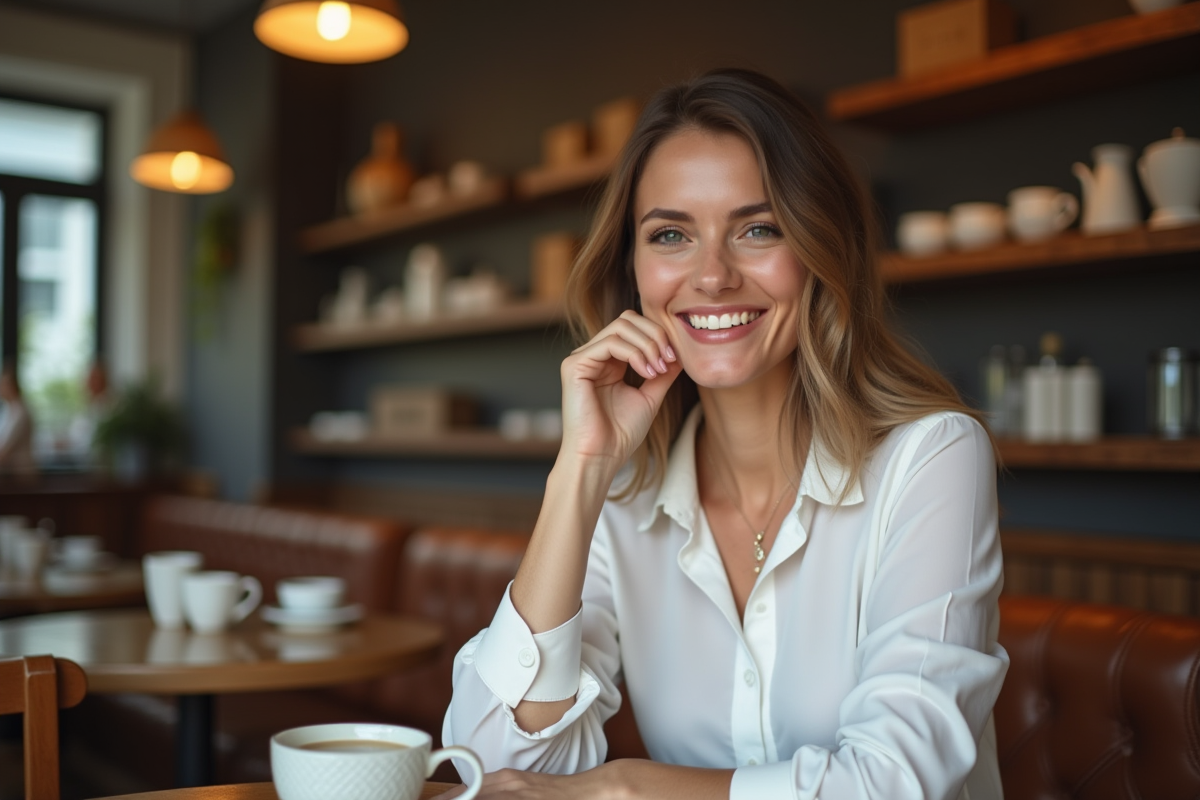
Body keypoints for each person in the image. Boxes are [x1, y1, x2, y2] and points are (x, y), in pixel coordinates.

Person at [443, 68, 1007, 800]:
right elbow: (486, 766)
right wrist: (580, 470)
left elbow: (894, 782)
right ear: (635, 269)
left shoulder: (932, 458)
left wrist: (626, 789)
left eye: (758, 228)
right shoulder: (625, 497)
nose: (710, 276)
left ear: (821, 247)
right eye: (671, 234)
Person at [0, 366, 36, 475]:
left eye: (2, 385)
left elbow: (7, 448)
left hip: (20, 475)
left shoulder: (21, 412)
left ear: (11, 386)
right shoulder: (8, 410)